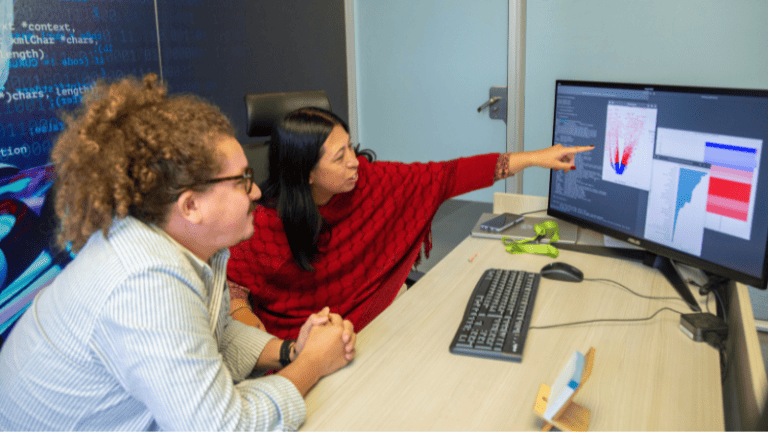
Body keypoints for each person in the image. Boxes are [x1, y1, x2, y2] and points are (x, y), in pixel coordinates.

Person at [0, 74, 356, 431]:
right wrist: (311, 364)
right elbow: (223, 428)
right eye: (242, 181)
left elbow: (212, 333)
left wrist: (290, 351)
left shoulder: (181, 247)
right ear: (190, 207)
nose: (257, 194)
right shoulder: (144, 282)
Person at [227, 107, 593, 340]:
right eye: (341, 157)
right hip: (304, 347)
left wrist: (536, 158)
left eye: (352, 148)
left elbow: (446, 176)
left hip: (373, 323)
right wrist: (250, 327)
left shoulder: (370, 182)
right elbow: (233, 287)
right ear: (306, 173)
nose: (355, 162)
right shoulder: (263, 224)